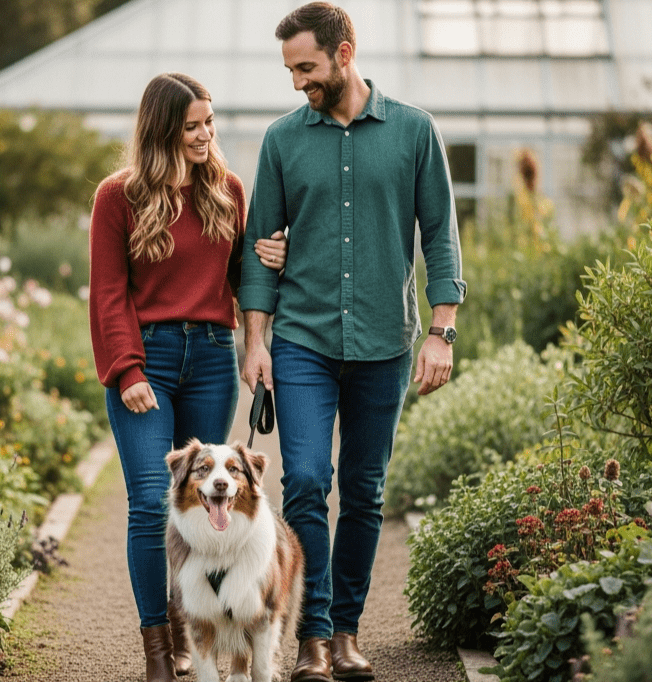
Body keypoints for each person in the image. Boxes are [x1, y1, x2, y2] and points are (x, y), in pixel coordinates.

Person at [238, 4, 467, 681]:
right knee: (306, 481)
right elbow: (259, 247)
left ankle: (345, 633)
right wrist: (256, 340)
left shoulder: (415, 132)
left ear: (344, 53)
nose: (297, 82)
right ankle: (310, 638)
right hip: (302, 339)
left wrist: (442, 332)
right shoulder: (282, 140)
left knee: (364, 491)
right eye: (290, 70)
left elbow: (441, 236)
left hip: (384, 342)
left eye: (306, 67)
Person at [88, 72, 287, 682]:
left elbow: (242, 278)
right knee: (152, 502)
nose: (205, 135)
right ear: (161, 132)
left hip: (210, 359)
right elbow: (108, 292)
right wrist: (126, 369)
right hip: (145, 360)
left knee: (204, 499)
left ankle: (187, 632)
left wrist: (268, 273)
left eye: (209, 123)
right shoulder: (117, 197)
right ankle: (157, 647)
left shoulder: (226, 190)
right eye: (192, 127)